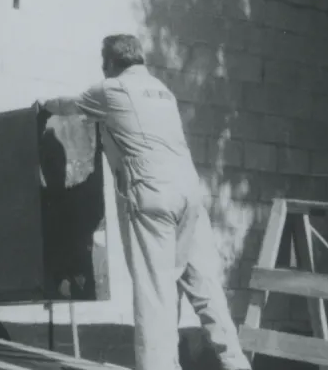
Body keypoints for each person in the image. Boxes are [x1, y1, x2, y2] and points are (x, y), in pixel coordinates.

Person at [36, 34, 249, 370]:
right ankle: (236, 363)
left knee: (155, 292)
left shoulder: (110, 89)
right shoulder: (163, 90)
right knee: (204, 286)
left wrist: (43, 104)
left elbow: (71, 107)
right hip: (190, 194)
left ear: (111, 62)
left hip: (152, 196)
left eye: (103, 62)